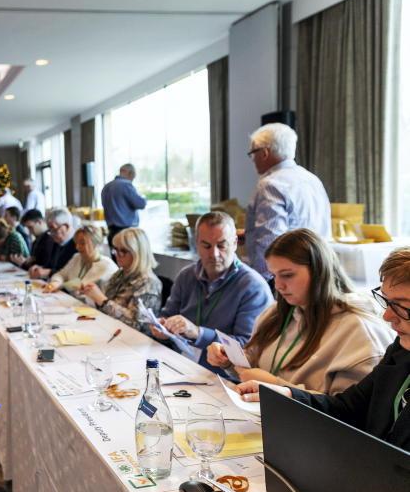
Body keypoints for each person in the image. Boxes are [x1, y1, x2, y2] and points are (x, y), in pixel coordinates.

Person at [236, 247, 410, 451]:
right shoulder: (399, 351)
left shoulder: (360, 328)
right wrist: (285, 394)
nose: (387, 316)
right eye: (387, 301)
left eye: (401, 306)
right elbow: (347, 408)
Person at [207, 229, 393, 395]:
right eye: (274, 275)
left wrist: (275, 386)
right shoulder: (275, 314)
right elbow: (252, 369)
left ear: (319, 271)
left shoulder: (358, 330)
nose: (278, 285)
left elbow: (347, 410)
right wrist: (229, 361)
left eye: (287, 275)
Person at [150, 211, 273, 373]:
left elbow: (247, 348)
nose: (214, 254)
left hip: (222, 376)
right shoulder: (186, 276)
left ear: (235, 243)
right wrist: (162, 328)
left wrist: (198, 333)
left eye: (221, 245)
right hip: (178, 364)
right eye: (206, 246)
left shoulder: (253, 287)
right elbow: (167, 315)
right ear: (196, 244)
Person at [245, 123, 331, 281]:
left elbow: (270, 242)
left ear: (264, 153)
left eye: (253, 153)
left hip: (284, 278)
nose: (252, 159)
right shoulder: (313, 179)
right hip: (318, 271)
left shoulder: (270, 185)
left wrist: (259, 282)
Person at [78, 228, 162, 333]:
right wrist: (92, 294)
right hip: (110, 328)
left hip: (131, 338)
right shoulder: (121, 273)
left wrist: (102, 300)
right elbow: (106, 302)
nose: (117, 255)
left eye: (123, 251)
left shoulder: (149, 283)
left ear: (137, 253)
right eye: (116, 250)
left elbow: (137, 324)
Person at [44, 225, 117, 297]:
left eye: (82, 243)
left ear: (96, 244)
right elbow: (61, 274)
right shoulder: (77, 257)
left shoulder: (107, 266)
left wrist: (62, 285)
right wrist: (56, 282)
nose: (77, 247)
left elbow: (80, 286)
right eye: (76, 243)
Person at [100, 163, 147, 253]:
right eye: (133, 175)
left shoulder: (106, 187)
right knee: (129, 259)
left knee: (116, 258)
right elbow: (140, 204)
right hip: (125, 233)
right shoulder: (126, 185)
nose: (132, 178)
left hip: (111, 231)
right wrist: (144, 197)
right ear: (130, 173)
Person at [28, 208, 77, 279]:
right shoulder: (56, 242)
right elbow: (50, 265)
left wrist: (49, 272)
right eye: (49, 230)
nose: (51, 234)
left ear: (66, 227)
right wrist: (40, 268)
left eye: (53, 229)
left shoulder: (78, 244)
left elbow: (73, 274)